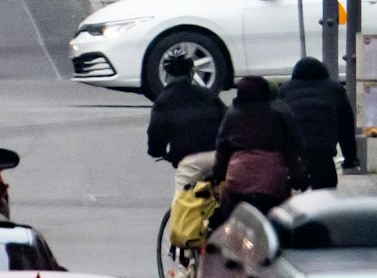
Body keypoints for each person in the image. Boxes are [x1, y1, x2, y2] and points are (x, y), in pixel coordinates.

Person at [209, 75, 307, 225]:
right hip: (272, 183)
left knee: (231, 219)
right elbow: (290, 151)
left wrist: (218, 175)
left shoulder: (232, 115)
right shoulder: (277, 115)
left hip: (238, 181)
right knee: (279, 222)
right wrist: (299, 177)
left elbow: (222, 150)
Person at [148, 52, 226, 197]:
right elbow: (227, 122)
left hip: (191, 162)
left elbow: (156, 132)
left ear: (166, 75)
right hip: (219, 156)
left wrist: (157, 151)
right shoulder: (208, 95)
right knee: (226, 196)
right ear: (191, 73)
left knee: (182, 203)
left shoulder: (163, 101)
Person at [278, 58, 359, 190]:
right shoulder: (336, 90)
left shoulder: (285, 91)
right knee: (326, 192)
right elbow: (346, 129)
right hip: (322, 152)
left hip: (294, 153)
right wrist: (350, 158)